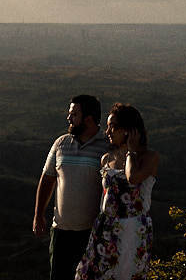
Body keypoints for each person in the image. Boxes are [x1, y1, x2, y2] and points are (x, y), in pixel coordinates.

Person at [75, 103, 160, 280]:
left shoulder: (149, 158)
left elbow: (133, 177)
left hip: (132, 231)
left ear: (128, 130)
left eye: (113, 127)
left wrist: (131, 151)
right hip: (106, 228)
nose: (107, 132)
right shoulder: (106, 159)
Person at [34, 94, 111, 280]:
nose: (69, 118)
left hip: (92, 233)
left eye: (74, 114)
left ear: (89, 119)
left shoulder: (107, 147)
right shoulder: (61, 144)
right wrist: (38, 214)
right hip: (61, 231)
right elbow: (47, 179)